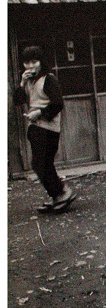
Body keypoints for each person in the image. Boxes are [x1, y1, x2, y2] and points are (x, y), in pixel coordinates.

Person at [14, 45, 76, 213]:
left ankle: (61, 192)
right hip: (35, 127)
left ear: (41, 62)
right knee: (40, 163)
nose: (30, 66)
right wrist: (22, 82)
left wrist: (39, 113)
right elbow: (18, 101)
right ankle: (56, 194)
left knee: (41, 163)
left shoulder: (49, 79)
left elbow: (58, 104)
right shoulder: (29, 80)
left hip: (48, 127)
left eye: (34, 61)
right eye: (27, 62)